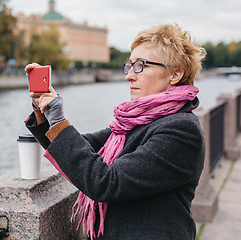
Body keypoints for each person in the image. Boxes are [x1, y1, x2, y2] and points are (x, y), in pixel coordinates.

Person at [24, 23, 206, 240]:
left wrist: (59, 119)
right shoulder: (136, 122)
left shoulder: (182, 130)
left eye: (141, 65)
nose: (129, 75)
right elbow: (81, 147)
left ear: (175, 74)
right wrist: (43, 112)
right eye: (129, 65)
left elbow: (105, 182)